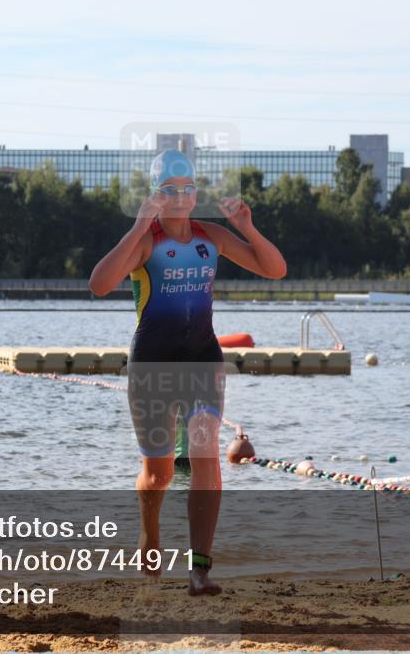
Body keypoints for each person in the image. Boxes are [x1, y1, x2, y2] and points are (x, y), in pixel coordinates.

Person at [89, 149, 286, 596]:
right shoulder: (146, 242)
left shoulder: (210, 236)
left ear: (196, 194)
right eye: (169, 189)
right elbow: (99, 284)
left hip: (202, 360)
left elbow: (275, 269)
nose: (179, 197)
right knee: (158, 473)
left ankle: (200, 570)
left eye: (187, 188)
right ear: (154, 194)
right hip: (152, 365)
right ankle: (149, 532)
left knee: (205, 455)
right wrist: (138, 225)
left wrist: (248, 228)